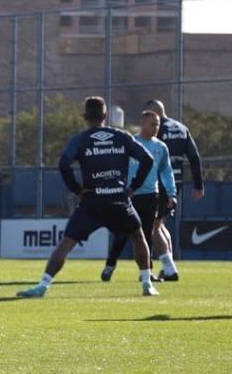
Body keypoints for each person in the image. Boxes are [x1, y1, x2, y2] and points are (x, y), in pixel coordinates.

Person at [18, 96, 157, 298]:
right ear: (105, 116)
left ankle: (43, 285)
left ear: (85, 116)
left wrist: (76, 188)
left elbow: (64, 164)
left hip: (92, 201)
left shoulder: (80, 139)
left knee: (67, 242)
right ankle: (147, 283)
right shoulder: (121, 136)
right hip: (118, 200)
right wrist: (133, 187)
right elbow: (148, 159)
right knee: (137, 235)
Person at [101, 111, 177, 281]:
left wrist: (171, 193)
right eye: (152, 124)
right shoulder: (131, 143)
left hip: (151, 195)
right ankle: (110, 265)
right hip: (129, 195)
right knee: (122, 233)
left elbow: (166, 171)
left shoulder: (160, 147)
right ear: (142, 124)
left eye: (157, 124)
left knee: (146, 234)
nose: (156, 127)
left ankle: (146, 273)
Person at [144, 100, 205, 281]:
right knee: (160, 225)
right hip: (176, 181)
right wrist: (198, 185)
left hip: (158, 182)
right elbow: (194, 157)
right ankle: (168, 267)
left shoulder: (157, 129)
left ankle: (170, 269)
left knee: (153, 226)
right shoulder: (180, 128)